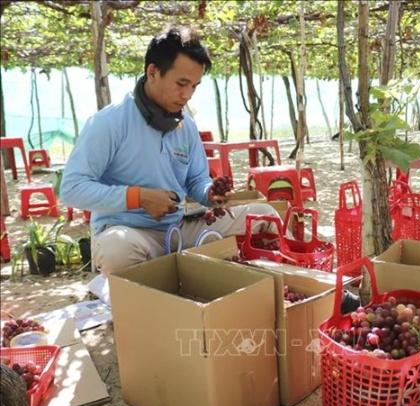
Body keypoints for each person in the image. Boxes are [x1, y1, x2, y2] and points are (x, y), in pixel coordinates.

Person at [60, 26, 279, 273]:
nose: (187, 95)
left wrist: (210, 194)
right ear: (152, 71)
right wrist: (139, 197)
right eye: (181, 83)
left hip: (179, 229)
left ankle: (288, 284)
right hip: (133, 235)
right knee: (116, 249)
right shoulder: (109, 122)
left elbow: (196, 180)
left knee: (263, 214)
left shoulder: (186, 124)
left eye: (195, 86)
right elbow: (71, 189)